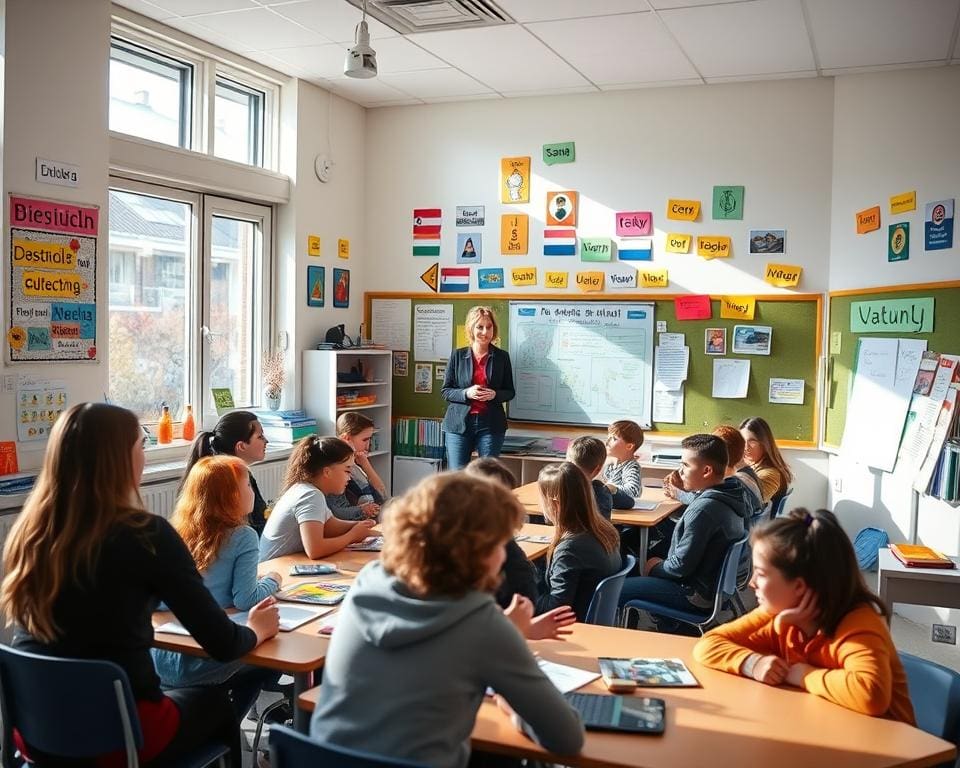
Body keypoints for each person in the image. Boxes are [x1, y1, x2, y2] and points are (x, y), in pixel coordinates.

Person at [0, 403, 279, 767]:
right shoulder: (145, 535)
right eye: (141, 447)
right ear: (120, 460)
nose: (144, 458)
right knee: (216, 705)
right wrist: (255, 631)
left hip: (37, 732)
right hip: (118, 734)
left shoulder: (32, 534)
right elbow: (223, 643)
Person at [309, 472, 584, 767]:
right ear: (475, 551)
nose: (505, 557)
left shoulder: (367, 583)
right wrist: (512, 706)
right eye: (500, 544)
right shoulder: (482, 622)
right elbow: (566, 738)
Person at [693, 508, 916, 724]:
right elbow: (708, 645)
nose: (751, 583)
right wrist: (753, 663)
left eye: (760, 574)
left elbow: (871, 695)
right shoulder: (779, 616)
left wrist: (802, 674)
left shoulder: (858, 622)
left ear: (799, 587)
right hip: (829, 732)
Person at [152, 456, 282, 718]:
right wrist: (273, 581)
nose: (252, 492)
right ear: (231, 496)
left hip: (161, 659)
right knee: (268, 661)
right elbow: (245, 599)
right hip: (205, 657)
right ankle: (230, 721)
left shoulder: (175, 531)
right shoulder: (243, 536)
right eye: (248, 486)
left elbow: (159, 601)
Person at [618, 434, 748, 634]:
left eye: (686, 465)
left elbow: (679, 568)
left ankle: (647, 634)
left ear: (706, 470)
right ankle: (666, 625)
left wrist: (653, 568)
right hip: (710, 589)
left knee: (613, 589)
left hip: (693, 595)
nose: (680, 471)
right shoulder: (732, 494)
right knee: (637, 564)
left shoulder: (704, 509)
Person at [259, 436, 376, 562]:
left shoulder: (306, 489)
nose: (350, 477)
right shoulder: (310, 495)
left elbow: (330, 526)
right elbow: (315, 550)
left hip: (282, 565)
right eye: (347, 471)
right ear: (327, 472)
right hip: (271, 569)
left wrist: (362, 527)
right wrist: (352, 536)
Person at [536, 462, 622, 621]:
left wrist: (522, 595)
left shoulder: (570, 549)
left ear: (556, 503)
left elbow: (557, 609)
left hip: (572, 629)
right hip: (594, 623)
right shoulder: (606, 532)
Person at [441, 306, 515, 470]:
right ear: (471, 328)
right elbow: (446, 391)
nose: (485, 332)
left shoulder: (502, 357)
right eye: (480, 327)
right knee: (458, 477)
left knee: (487, 475)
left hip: (490, 424)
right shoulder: (457, 356)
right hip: (459, 424)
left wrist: (494, 394)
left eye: (489, 327)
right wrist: (467, 393)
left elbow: (510, 391)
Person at [182, 410, 270, 535]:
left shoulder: (214, 473)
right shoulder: (237, 480)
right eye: (260, 436)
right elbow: (259, 528)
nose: (266, 441)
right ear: (241, 446)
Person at [327, 412, 387, 522]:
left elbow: (382, 495)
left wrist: (366, 465)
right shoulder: (337, 468)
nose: (368, 445)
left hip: (369, 520)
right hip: (354, 524)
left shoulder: (356, 465)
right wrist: (363, 510)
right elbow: (337, 511)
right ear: (346, 438)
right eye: (365, 440)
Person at [740, 416, 793, 509]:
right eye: (742, 441)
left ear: (765, 444)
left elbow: (750, 503)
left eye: (752, 441)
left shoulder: (771, 473)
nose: (745, 447)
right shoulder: (751, 466)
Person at [565, 436, 613, 520]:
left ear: (567, 463)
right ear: (598, 469)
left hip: (561, 532)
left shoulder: (556, 485)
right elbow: (629, 502)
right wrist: (612, 489)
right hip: (597, 533)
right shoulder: (601, 491)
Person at [602, 419, 644, 509]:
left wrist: (611, 488)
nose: (607, 442)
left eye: (613, 439)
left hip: (623, 512)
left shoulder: (631, 467)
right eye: (608, 437)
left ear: (629, 446)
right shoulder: (610, 465)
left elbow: (633, 491)